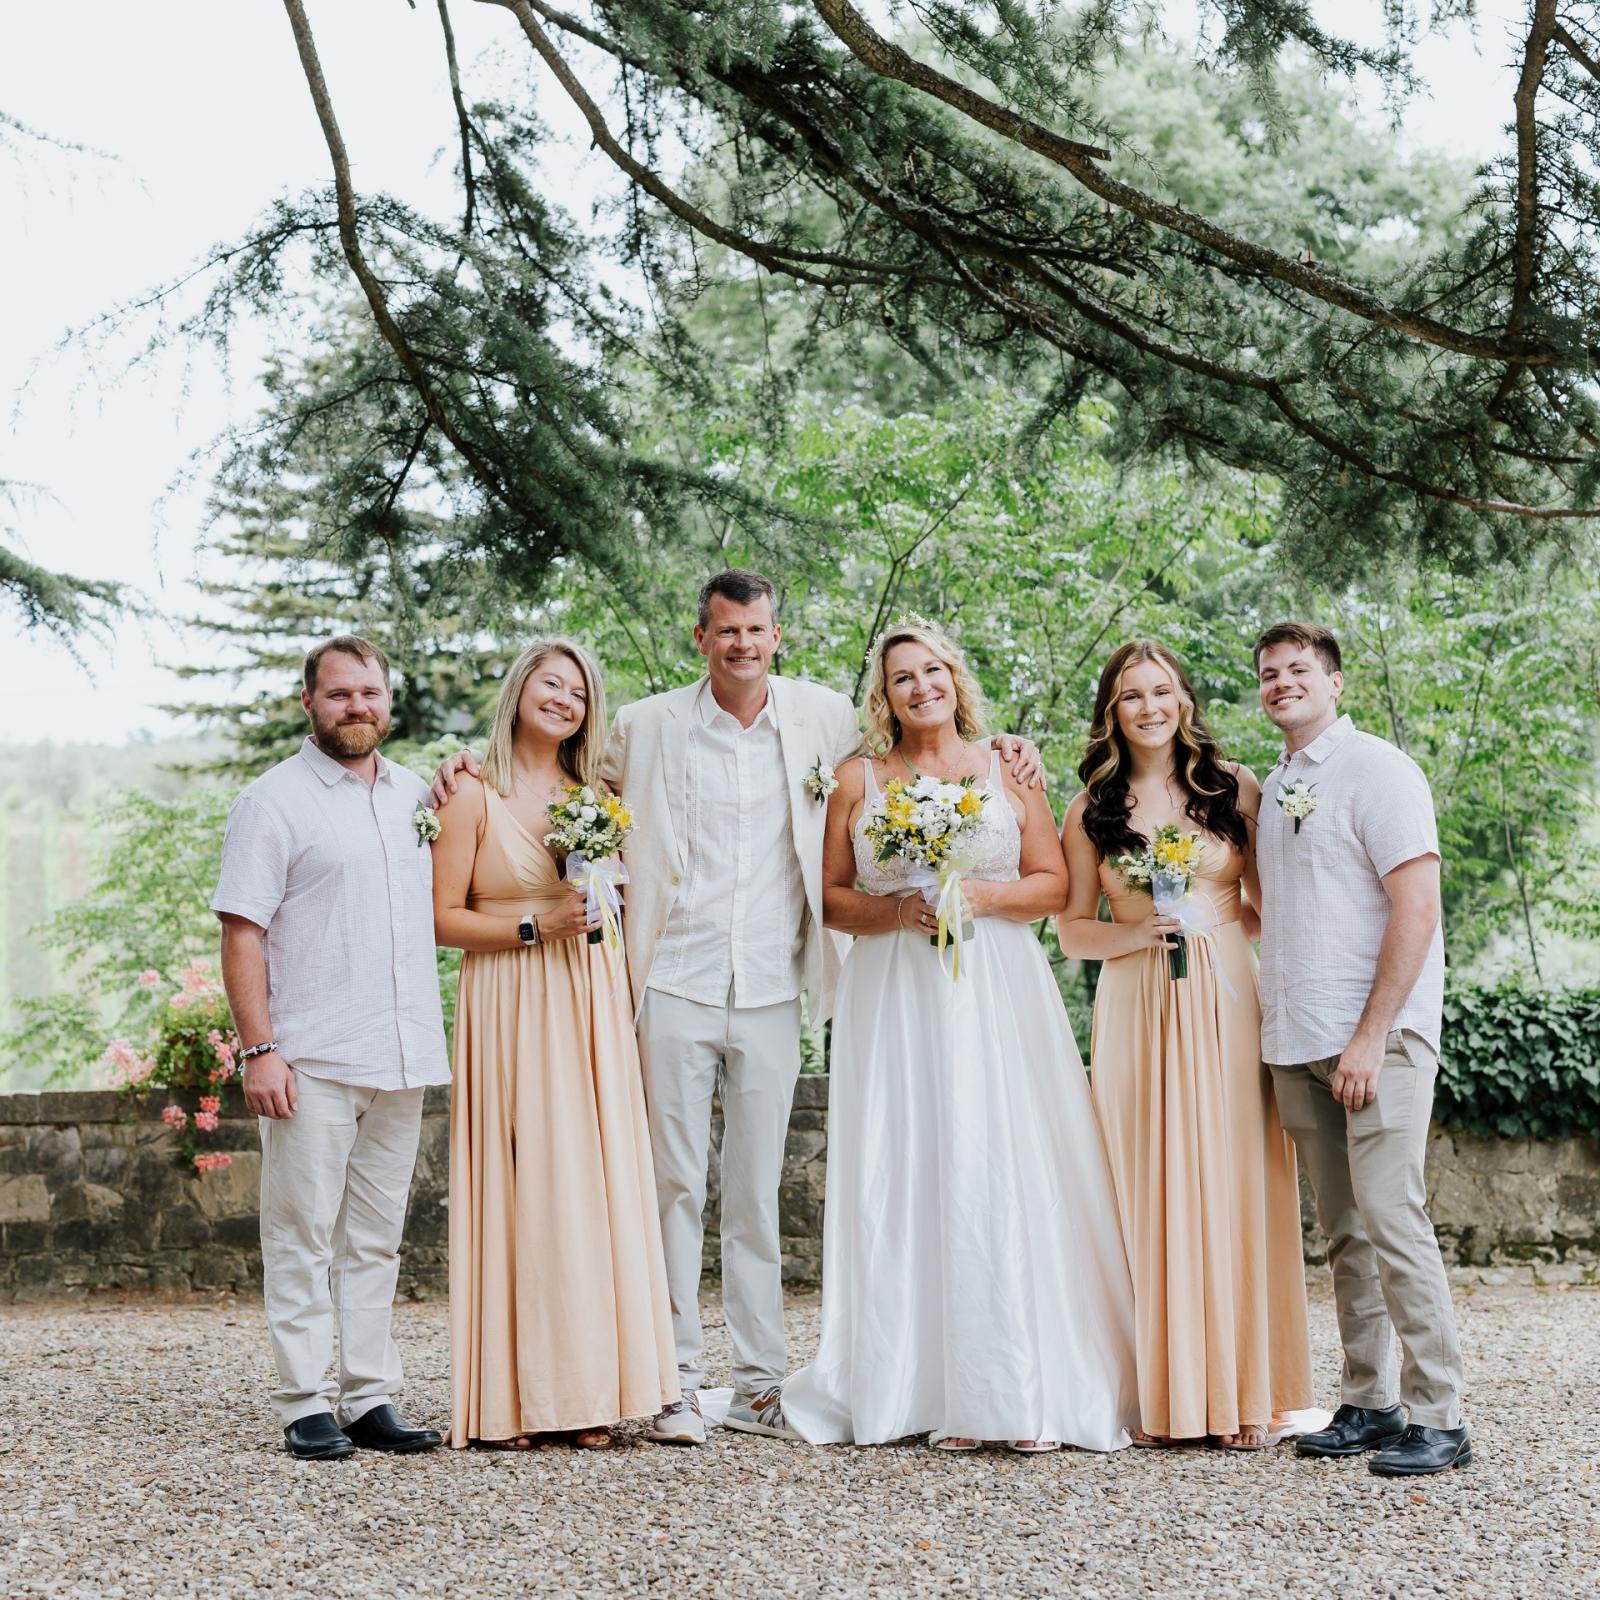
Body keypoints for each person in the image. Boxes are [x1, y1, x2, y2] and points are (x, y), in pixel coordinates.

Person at [430, 571, 1042, 1446]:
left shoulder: (824, 719)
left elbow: (912, 743)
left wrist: (1014, 746)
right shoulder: (645, 727)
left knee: (755, 1192)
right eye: (726, 631)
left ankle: (759, 1383)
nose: (742, 645)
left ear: (776, 636)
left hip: (771, 984)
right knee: (670, 1184)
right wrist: (458, 762)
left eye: (756, 630)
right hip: (670, 980)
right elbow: (548, 774)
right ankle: (674, 1380)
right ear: (701, 637)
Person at [762, 619, 1137, 1452]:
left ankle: (1016, 1384)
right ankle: (916, 1385)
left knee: (1004, 1157)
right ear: (884, 694)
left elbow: (1052, 885)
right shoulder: (858, 778)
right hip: (896, 993)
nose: (920, 686)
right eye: (902, 677)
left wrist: (976, 898)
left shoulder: (1008, 765)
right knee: (908, 1164)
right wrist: (903, 909)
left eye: (931, 670)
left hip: (997, 991)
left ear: (953, 677)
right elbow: (829, 898)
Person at [1057, 640, 1311, 1450]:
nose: (1149, 707)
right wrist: (1137, 938)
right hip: (1136, 1007)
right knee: (1143, 1182)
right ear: (1112, 711)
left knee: (1233, 1176)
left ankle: (1240, 1394)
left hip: (1227, 1004)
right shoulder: (1089, 808)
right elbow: (1071, 934)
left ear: (1184, 699)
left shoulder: (1235, 788)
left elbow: (1275, 908)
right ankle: (1159, 1395)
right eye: (1131, 695)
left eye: (1160, 691)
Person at [431, 637, 678, 1450]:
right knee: (519, 1183)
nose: (565, 700)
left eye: (578, 691)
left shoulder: (597, 793)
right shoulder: (472, 791)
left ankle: (589, 1394)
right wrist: (537, 924)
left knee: (586, 1186)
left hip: (587, 1000)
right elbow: (442, 919)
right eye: (551, 683)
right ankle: (510, 1402)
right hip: (509, 996)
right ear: (520, 689)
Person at [213, 636, 447, 1460]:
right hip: (310, 1054)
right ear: (308, 702)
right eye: (341, 694)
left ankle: (370, 1396)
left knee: (377, 1239)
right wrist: (259, 1049)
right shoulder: (272, 802)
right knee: (302, 1232)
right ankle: (305, 1401)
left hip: (403, 1050)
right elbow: (242, 932)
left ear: (390, 700)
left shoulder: (417, 796)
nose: (358, 708)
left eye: (371, 694)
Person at [1254, 621, 1470, 1477]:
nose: (1281, 683)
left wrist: (1371, 1036)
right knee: (1343, 1230)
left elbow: (1417, 905)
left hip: (1376, 1040)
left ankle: (1441, 1416)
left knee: (1392, 1218)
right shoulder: (1274, 785)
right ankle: (1371, 1400)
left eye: (1298, 670)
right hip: (1297, 1039)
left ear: (1334, 683)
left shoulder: (1378, 769)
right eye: (1269, 674)